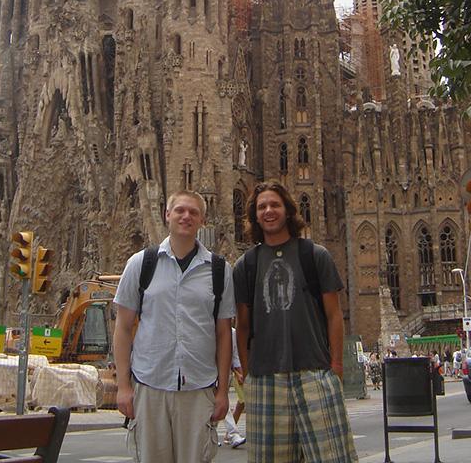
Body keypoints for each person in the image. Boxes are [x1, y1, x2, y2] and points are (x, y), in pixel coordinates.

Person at [233, 181, 358, 463]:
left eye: (275, 205)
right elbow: (242, 325)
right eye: (262, 206)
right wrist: (250, 374)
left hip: (314, 372)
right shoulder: (245, 266)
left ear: (288, 211)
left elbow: (334, 315)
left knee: (334, 457)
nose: (268, 211)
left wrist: (335, 367)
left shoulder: (315, 255)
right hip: (266, 379)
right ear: (254, 215)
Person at [113, 190, 235, 463]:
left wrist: (223, 391)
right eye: (179, 210)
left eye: (193, 212)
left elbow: (224, 333)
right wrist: (123, 386)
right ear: (167, 215)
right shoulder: (141, 263)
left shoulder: (219, 270)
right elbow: (122, 327)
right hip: (150, 385)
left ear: (203, 219)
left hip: (199, 387)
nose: (186, 216)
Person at [222, 327, 246, 448]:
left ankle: (227, 434)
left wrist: (239, 373)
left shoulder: (232, 333)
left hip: (226, 375)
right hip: (211, 375)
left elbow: (235, 356)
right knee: (222, 404)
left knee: (218, 405)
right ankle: (233, 434)